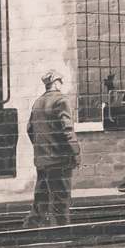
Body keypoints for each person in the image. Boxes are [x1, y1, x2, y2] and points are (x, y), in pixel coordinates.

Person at [24, 70, 81, 227]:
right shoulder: (61, 101)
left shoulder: (37, 103)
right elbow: (67, 130)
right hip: (59, 160)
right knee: (60, 201)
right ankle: (60, 232)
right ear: (56, 83)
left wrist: (41, 148)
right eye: (60, 82)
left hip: (42, 160)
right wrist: (75, 152)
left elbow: (30, 129)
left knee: (41, 201)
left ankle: (30, 228)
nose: (61, 85)